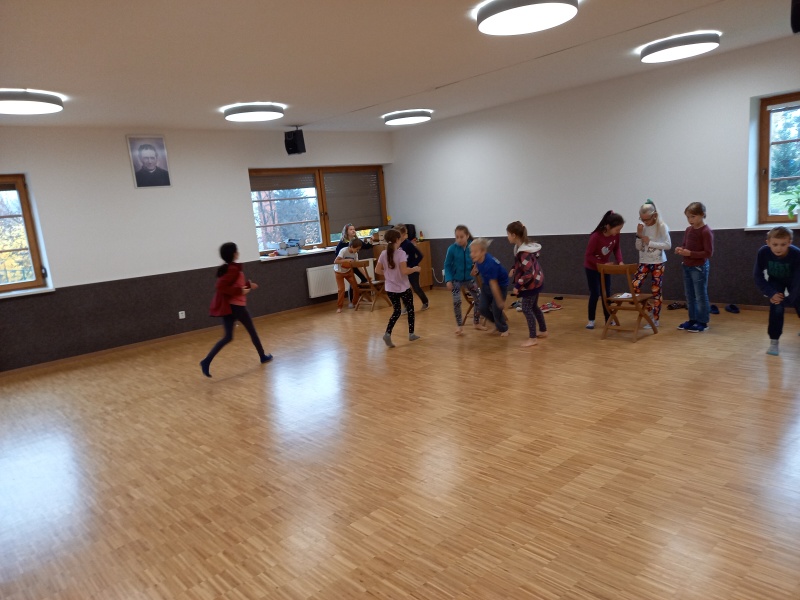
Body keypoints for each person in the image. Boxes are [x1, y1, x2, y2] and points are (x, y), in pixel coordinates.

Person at [200, 242, 271, 377]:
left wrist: (248, 285)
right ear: (234, 254)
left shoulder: (230, 268)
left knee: (228, 337)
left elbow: (235, 284)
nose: (238, 252)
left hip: (229, 308)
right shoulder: (232, 269)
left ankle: (206, 361)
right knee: (252, 332)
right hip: (237, 307)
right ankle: (262, 356)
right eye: (236, 250)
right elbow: (221, 287)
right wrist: (240, 291)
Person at [753, 226, 800, 356]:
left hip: (794, 282)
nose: (779, 248)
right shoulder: (763, 252)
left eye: (783, 244)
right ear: (768, 243)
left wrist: (790, 299)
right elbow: (757, 275)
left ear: (789, 243)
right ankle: (774, 341)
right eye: (775, 244)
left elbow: (798, 281)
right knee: (776, 308)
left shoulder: (797, 254)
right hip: (775, 282)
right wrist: (771, 293)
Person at [375, 229, 421, 347]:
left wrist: (388, 273)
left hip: (390, 288)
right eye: (400, 239)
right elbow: (404, 271)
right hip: (403, 287)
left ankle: (387, 333)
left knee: (396, 311)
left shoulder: (383, 253)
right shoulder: (401, 254)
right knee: (410, 309)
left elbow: (377, 270)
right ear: (397, 240)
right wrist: (415, 269)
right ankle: (411, 334)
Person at [675, 202, 714, 333]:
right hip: (687, 266)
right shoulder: (688, 230)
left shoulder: (706, 231)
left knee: (700, 295)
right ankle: (693, 319)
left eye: (693, 216)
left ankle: (703, 321)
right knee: (690, 295)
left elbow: (708, 253)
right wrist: (681, 249)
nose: (690, 220)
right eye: (688, 217)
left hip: (699, 268)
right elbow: (685, 245)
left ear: (702, 215)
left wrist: (690, 253)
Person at [507, 221, 546, 347]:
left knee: (526, 308)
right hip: (537, 281)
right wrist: (514, 268)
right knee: (533, 306)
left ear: (514, 235)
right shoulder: (522, 248)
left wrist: (518, 286)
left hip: (532, 283)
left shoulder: (523, 252)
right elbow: (521, 264)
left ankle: (532, 338)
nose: (507, 237)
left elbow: (529, 273)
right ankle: (543, 330)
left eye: (508, 234)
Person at [632, 200, 671, 328]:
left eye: (647, 219)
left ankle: (655, 318)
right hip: (644, 261)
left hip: (658, 262)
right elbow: (638, 247)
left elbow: (668, 245)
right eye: (642, 219)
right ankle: (649, 309)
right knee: (634, 286)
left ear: (654, 215)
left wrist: (650, 242)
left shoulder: (662, 226)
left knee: (656, 291)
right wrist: (639, 235)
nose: (644, 222)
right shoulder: (642, 227)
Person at [584, 210, 624, 329]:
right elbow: (588, 256)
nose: (618, 232)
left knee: (606, 293)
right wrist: (603, 263)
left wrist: (620, 261)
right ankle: (591, 320)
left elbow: (616, 248)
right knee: (595, 293)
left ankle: (608, 318)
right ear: (608, 227)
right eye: (617, 229)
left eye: (620, 229)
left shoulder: (616, 235)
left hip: (605, 268)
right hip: (592, 268)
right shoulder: (595, 237)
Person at [444, 225, 481, 335]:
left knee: (479, 298)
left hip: (469, 279)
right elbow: (447, 265)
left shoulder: (473, 246)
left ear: (467, 236)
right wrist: (448, 280)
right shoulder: (452, 249)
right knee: (457, 302)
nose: (459, 239)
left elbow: (479, 260)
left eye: (461, 237)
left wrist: (476, 268)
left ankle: (476, 322)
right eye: (457, 237)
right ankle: (459, 325)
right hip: (456, 280)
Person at [470, 237, 510, 336]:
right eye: (471, 251)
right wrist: (475, 270)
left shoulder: (490, 264)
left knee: (496, 309)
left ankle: (504, 329)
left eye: (475, 252)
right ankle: (497, 324)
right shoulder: (478, 259)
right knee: (482, 308)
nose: (472, 254)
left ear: (483, 252)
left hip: (500, 285)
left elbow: (494, 285)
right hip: (487, 284)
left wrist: (499, 301)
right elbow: (477, 266)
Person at [335, 223, 373, 307]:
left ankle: (359, 295)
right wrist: (345, 260)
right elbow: (337, 255)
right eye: (351, 229)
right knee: (352, 283)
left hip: (354, 264)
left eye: (354, 229)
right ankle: (352, 301)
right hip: (346, 265)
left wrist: (370, 242)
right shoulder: (343, 243)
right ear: (346, 231)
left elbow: (365, 246)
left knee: (364, 279)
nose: (353, 231)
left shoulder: (356, 241)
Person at [395, 224, 429, 310]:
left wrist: (412, 266)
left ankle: (425, 301)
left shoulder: (408, 244)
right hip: (403, 270)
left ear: (403, 234)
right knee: (403, 289)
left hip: (413, 269)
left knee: (416, 287)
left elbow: (420, 255)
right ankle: (406, 306)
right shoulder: (397, 245)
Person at [333, 238, 365, 313]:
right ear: (351, 246)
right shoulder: (343, 251)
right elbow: (336, 261)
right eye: (357, 249)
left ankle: (354, 303)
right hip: (339, 272)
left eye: (359, 249)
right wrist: (346, 260)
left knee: (355, 287)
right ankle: (339, 306)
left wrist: (365, 275)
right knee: (341, 289)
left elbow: (358, 265)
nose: (357, 251)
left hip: (348, 271)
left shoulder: (355, 254)